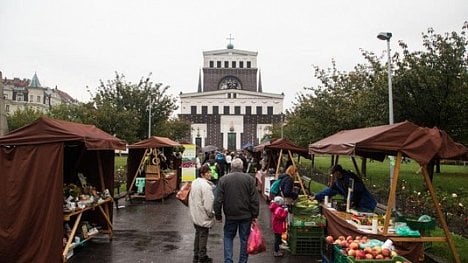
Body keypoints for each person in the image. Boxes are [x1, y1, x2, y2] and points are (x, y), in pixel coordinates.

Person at [214, 158, 259, 263]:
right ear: (242, 167)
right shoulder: (249, 179)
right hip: (246, 215)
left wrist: (218, 215)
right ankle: (242, 261)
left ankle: (228, 261)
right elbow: (254, 199)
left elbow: (218, 200)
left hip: (230, 215)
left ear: (231, 167)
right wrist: (255, 215)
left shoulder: (224, 180)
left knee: (228, 237)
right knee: (244, 239)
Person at [189, 164, 216, 263]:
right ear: (202, 174)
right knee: (203, 234)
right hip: (202, 214)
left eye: (209, 172)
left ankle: (196, 254)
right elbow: (208, 203)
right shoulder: (206, 186)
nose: (210, 174)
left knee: (198, 233)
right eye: (207, 172)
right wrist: (211, 214)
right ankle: (202, 256)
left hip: (196, 213)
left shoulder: (195, 182)